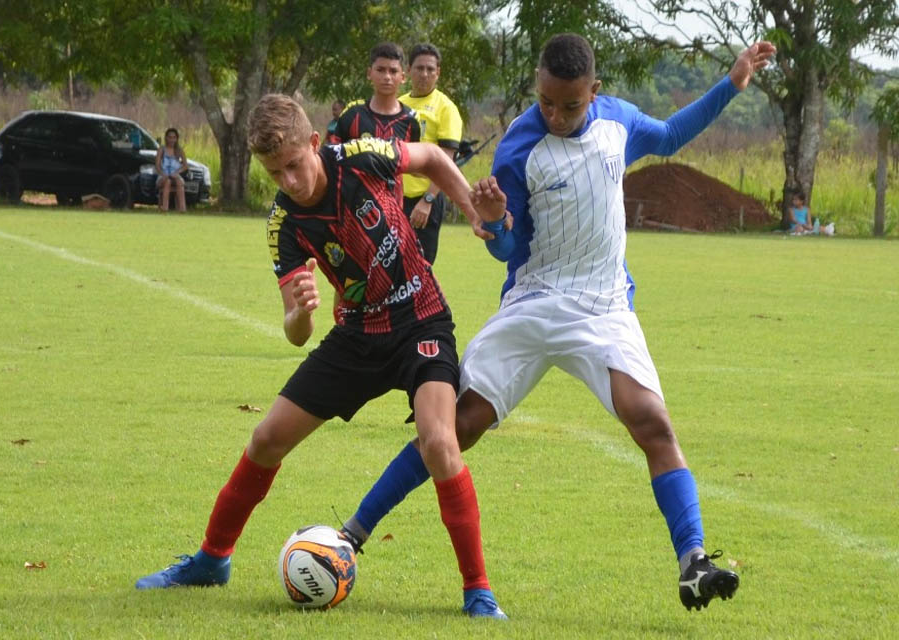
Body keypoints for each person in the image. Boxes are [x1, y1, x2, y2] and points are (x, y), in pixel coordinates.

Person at [340, 33, 777, 613]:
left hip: (603, 308)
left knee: (653, 423)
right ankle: (353, 533)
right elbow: (507, 249)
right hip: (534, 302)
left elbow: (671, 134)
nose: (556, 114)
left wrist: (732, 83)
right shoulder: (519, 147)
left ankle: (693, 560)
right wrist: (495, 223)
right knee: (456, 426)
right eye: (546, 101)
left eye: (570, 105)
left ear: (593, 92)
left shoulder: (619, 122)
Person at [134, 93, 507, 619]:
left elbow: (433, 159)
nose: (288, 181)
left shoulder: (361, 154)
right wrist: (301, 313)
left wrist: (470, 209)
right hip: (355, 338)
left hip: (420, 318)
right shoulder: (282, 223)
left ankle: (478, 590)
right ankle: (211, 560)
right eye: (274, 173)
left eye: (293, 165)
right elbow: (294, 332)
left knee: (440, 441)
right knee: (266, 439)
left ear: (315, 144)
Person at [400, 43, 464, 265]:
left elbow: (446, 160)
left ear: (438, 72)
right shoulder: (399, 105)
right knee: (389, 271)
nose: (424, 74)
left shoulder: (446, 108)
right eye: (419, 68)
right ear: (408, 70)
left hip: (425, 200)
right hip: (395, 199)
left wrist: (427, 200)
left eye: (430, 69)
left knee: (419, 272)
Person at [327, 42, 420, 147]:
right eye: (380, 70)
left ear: (403, 77)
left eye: (393, 71)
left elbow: (415, 161)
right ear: (369, 73)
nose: (387, 77)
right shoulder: (352, 115)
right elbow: (332, 156)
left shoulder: (411, 121)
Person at [155, 128, 189, 212]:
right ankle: (165, 207)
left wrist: (177, 172)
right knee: (168, 181)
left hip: (175, 175)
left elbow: (185, 166)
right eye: (170, 137)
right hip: (163, 176)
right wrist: (163, 174)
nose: (172, 140)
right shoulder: (161, 150)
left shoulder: (179, 150)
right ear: (166, 138)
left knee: (179, 181)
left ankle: (182, 208)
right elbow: (157, 166)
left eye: (174, 137)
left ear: (177, 139)